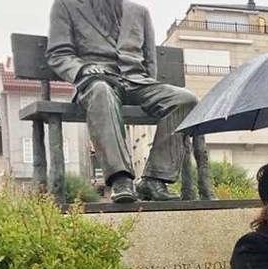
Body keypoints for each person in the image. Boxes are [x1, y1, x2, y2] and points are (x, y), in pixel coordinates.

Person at [47, 0, 203, 202]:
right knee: (102, 91)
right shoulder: (66, 5)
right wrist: (83, 69)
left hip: (136, 80)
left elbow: (150, 59)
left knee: (185, 99)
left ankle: (154, 179)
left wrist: (150, 90)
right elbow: (58, 53)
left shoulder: (140, 12)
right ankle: (121, 179)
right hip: (97, 79)